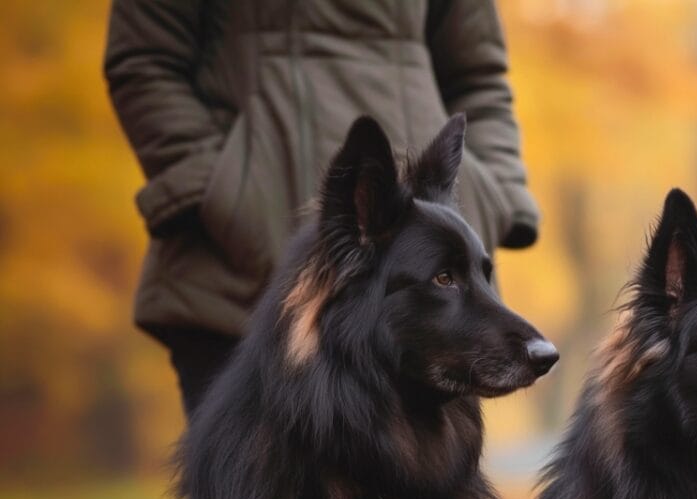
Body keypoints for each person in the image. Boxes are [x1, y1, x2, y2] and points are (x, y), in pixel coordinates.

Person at [104, 0, 540, 416]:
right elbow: (144, 61)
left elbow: (479, 78)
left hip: (424, 292)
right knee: (242, 488)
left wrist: (487, 193)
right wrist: (227, 195)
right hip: (233, 275)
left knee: (435, 487)